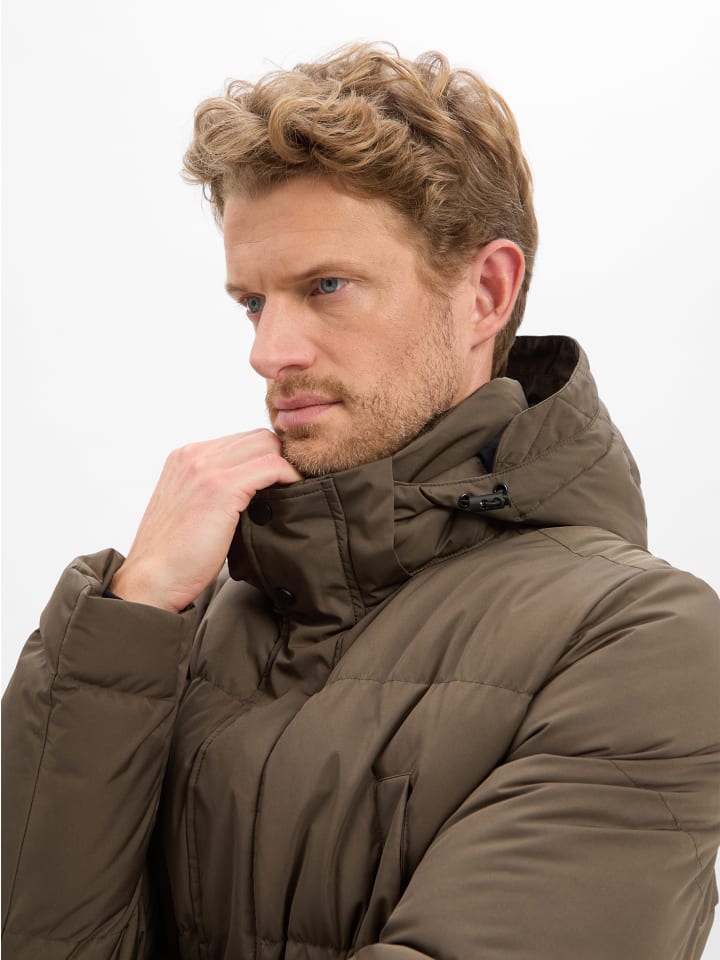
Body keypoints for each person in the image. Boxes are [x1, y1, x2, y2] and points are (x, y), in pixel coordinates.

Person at [2, 42, 719, 960]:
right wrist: (128, 616)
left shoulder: (640, 638)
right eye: (253, 302)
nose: (268, 353)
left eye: (326, 287)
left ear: (486, 293)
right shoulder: (192, 614)